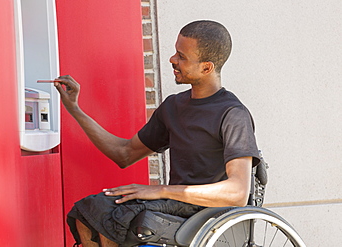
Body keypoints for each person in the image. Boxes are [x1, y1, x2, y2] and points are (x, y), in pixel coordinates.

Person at [54, 20, 260, 247]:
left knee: (115, 217)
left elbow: (237, 192)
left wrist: (161, 190)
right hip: (174, 206)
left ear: (206, 67)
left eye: (182, 56)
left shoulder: (233, 114)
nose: (172, 59)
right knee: (88, 211)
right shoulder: (173, 106)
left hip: (209, 214)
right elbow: (124, 153)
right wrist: (75, 109)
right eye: (175, 52)